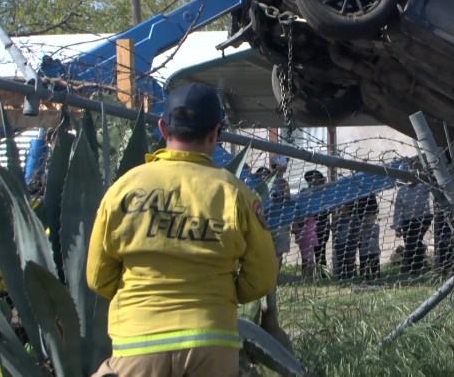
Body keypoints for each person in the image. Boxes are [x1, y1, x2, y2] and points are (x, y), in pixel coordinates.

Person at [86, 83, 277, 377]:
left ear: (163, 129)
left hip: (137, 342)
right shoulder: (236, 194)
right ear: (214, 133)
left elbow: (98, 276)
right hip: (213, 341)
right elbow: (262, 277)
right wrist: (225, 294)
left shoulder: (123, 190)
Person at [392, 180, 433, 275]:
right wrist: (397, 226)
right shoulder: (402, 190)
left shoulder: (423, 186)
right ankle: (412, 267)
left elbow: (431, 185)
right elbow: (398, 209)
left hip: (423, 218)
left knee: (416, 241)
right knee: (410, 244)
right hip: (408, 221)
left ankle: (417, 267)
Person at [291, 170, 323, 278]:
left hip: (313, 226)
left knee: (313, 254)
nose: (313, 180)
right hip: (305, 228)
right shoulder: (304, 192)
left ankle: (313, 275)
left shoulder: (323, 191)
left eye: (316, 177)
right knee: (306, 256)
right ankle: (307, 275)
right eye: (310, 178)